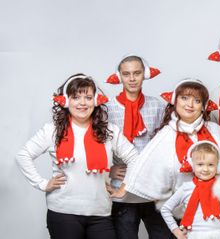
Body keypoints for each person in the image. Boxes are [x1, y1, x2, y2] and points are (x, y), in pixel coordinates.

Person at [16, 74, 138, 239]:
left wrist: (124, 189)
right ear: (66, 101)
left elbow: (135, 158)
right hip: (63, 212)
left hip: (100, 212)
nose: (82, 103)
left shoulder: (109, 131)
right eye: (76, 97)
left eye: (88, 97)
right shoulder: (52, 130)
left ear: (95, 101)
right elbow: (23, 155)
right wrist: (43, 184)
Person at [113, 78, 220, 207]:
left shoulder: (217, 132)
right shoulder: (165, 136)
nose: (190, 105)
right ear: (175, 101)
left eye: (197, 101)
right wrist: (123, 191)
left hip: (219, 210)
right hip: (181, 213)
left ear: (203, 107)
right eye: (184, 98)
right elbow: (144, 171)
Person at [105, 55, 171, 239]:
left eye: (137, 73)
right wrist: (108, 170)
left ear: (145, 74)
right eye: (126, 74)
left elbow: (164, 145)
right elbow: (98, 146)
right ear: (119, 77)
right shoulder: (107, 109)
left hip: (152, 187)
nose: (132, 79)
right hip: (122, 187)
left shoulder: (157, 105)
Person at [161, 141, 220, 239]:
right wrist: (176, 232)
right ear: (192, 165)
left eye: (210, 165)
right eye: (200, 164)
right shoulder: (186, 188)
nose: (205, 169)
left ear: (218, 166)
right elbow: (165, 209)